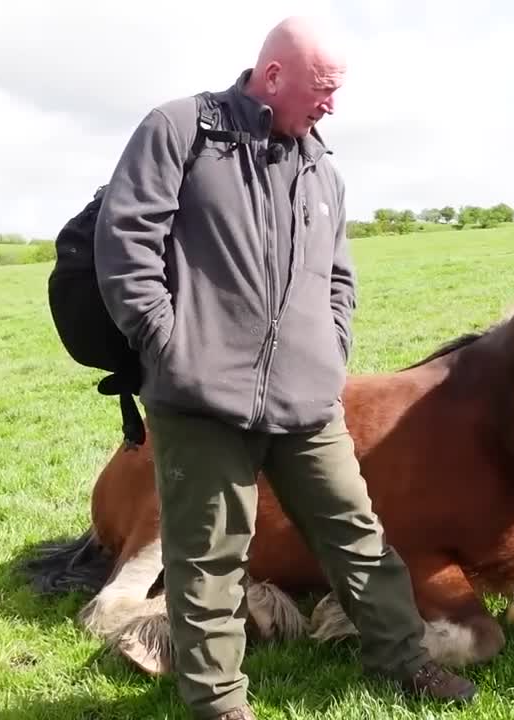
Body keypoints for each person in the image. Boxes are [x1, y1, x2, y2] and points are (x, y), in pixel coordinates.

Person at [92, 15, 477, 720]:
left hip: (306, 399)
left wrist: (327, 354)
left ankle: (404, 660)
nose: (331, 105)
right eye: (322, 89)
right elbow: (125, 241)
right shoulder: (179, 131)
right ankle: (219, 703)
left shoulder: (319, 167)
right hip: (200, 397)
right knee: (208, 556)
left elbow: (338, 279)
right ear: (273, 75)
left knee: (357, 536)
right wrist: (169, 345)